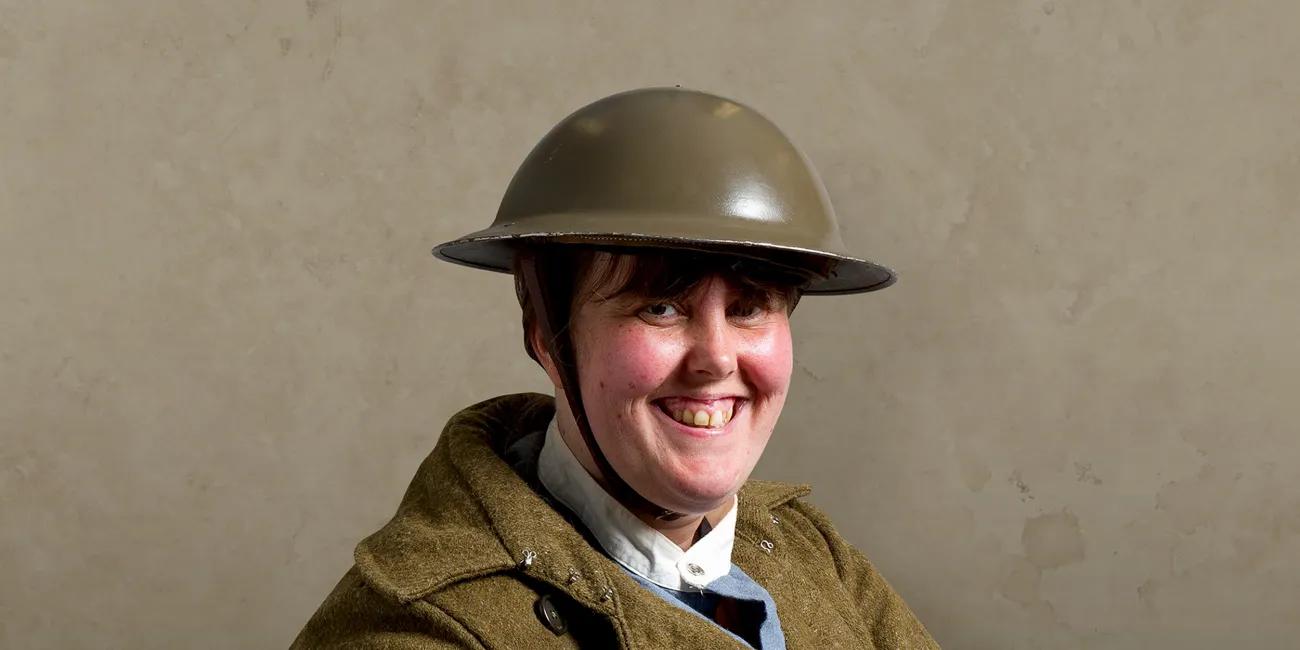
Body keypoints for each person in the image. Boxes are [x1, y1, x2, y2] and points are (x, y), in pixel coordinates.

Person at [292, 88, 938, 649]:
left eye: (749, 309)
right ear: (547, 334)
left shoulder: (806, 552)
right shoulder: (419, 627)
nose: (716, 358)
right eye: (660, 307)